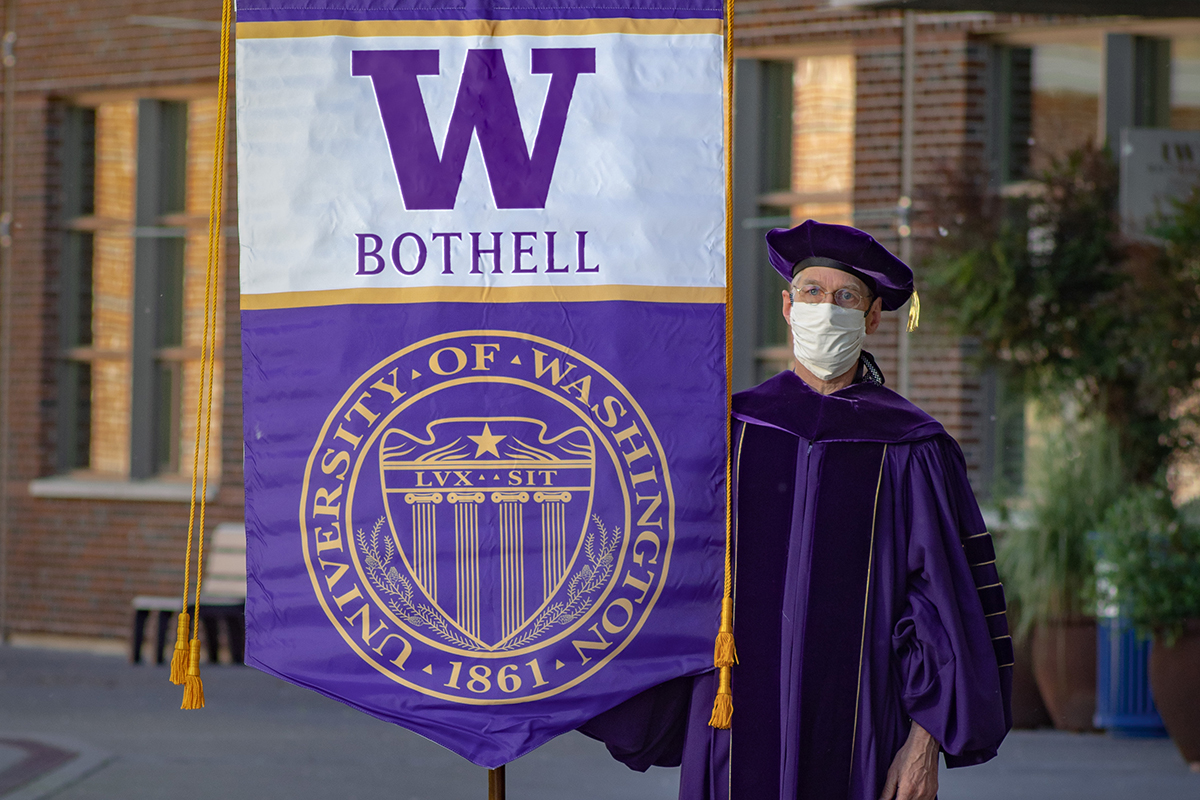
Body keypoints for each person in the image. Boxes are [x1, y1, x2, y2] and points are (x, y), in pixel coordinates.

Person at [580, 220, 1013, 800]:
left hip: (862, 734)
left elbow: (943, 612)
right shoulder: (729, 432)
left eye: (845, 297)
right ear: (787, 306)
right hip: (731, 724)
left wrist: (921, 748)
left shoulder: (912, 448)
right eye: (812, 292)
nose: (825, 309)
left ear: (873, 318)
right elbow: (661, 570)